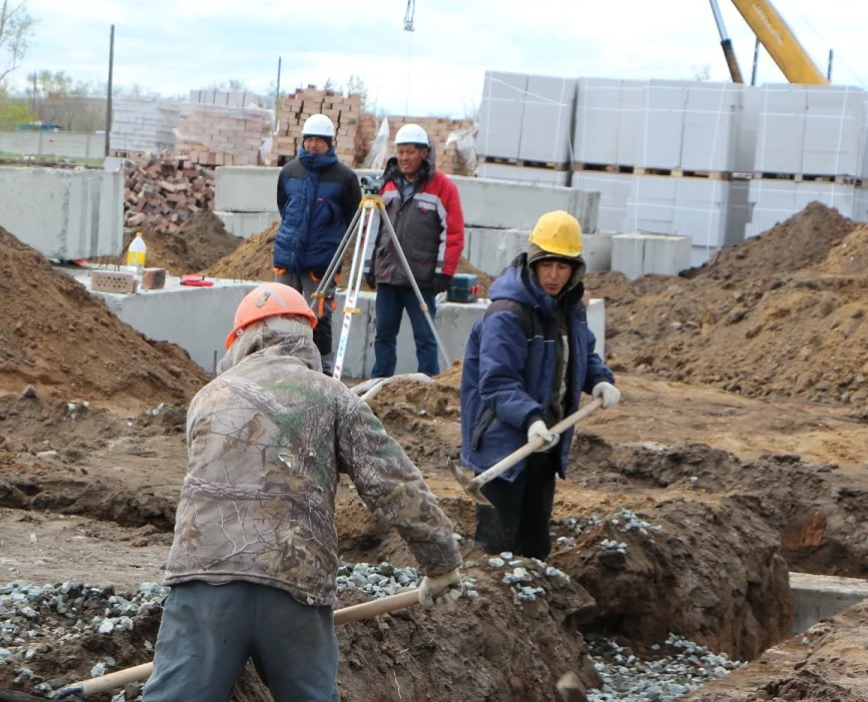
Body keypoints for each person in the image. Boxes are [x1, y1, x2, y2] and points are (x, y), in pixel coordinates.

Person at [141, 282, 464, 702]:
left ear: (240, 340)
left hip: (204, 583)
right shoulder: (334, 397)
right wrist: (441, 562)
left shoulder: (206, 398)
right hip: (293, 584)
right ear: (306, 338)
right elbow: (394, 485)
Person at [458, 210, 620, 561]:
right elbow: (497, 381)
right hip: (503, 445)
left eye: (563, 266)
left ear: (574, 269)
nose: (554, 275)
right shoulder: (508, 313)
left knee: (534, 544)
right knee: (496, 549)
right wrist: (531, 417)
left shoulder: (567, 308)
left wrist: (600, 380)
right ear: (533, 262)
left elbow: (580, 353)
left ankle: (530, 608)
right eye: (547, 264)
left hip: (544, 441)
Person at [365, 123, 465, 378]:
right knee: (384, 335)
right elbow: (372, 227)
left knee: (425, 337)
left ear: (424, 153)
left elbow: (453, 232)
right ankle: (380, 383)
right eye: (400, 152)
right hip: (388, 275)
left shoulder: (442, 187)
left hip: (422, 278)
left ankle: (427, 386)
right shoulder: (386, 185)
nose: (404, 158)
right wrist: (368, 265)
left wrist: (445, 270)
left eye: (410, 152)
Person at [273, 114, 362, 372]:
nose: (313, 145)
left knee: (319, 317)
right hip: (288, 259)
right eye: (309, 139)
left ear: (329, 143)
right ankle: (282, 365)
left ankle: (320, 370)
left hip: (321, 263)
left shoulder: (344, 178)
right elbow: (284, 207)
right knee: (282, 313)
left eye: (318, 140)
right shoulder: (290, 171)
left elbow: (352, 217)